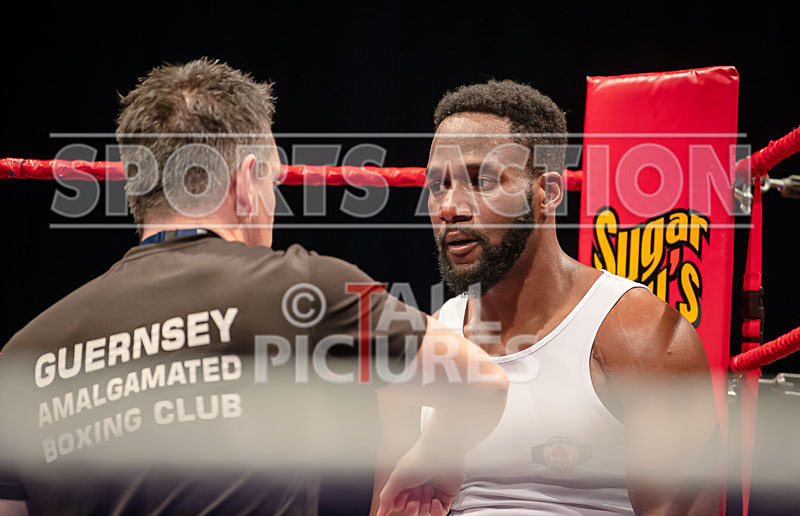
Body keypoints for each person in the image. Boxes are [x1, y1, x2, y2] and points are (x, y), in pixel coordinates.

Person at [0, 59, 508, 516]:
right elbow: (482, 385)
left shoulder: (21, 357)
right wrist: (434, 456)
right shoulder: (303, 288)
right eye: (271, 181)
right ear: (247, 180)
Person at [371, 80, 721, 515]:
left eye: (480, 181)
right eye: (438, 185)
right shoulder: (426, 347)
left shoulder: (640, 337)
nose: (449, 206)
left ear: (548, 194)